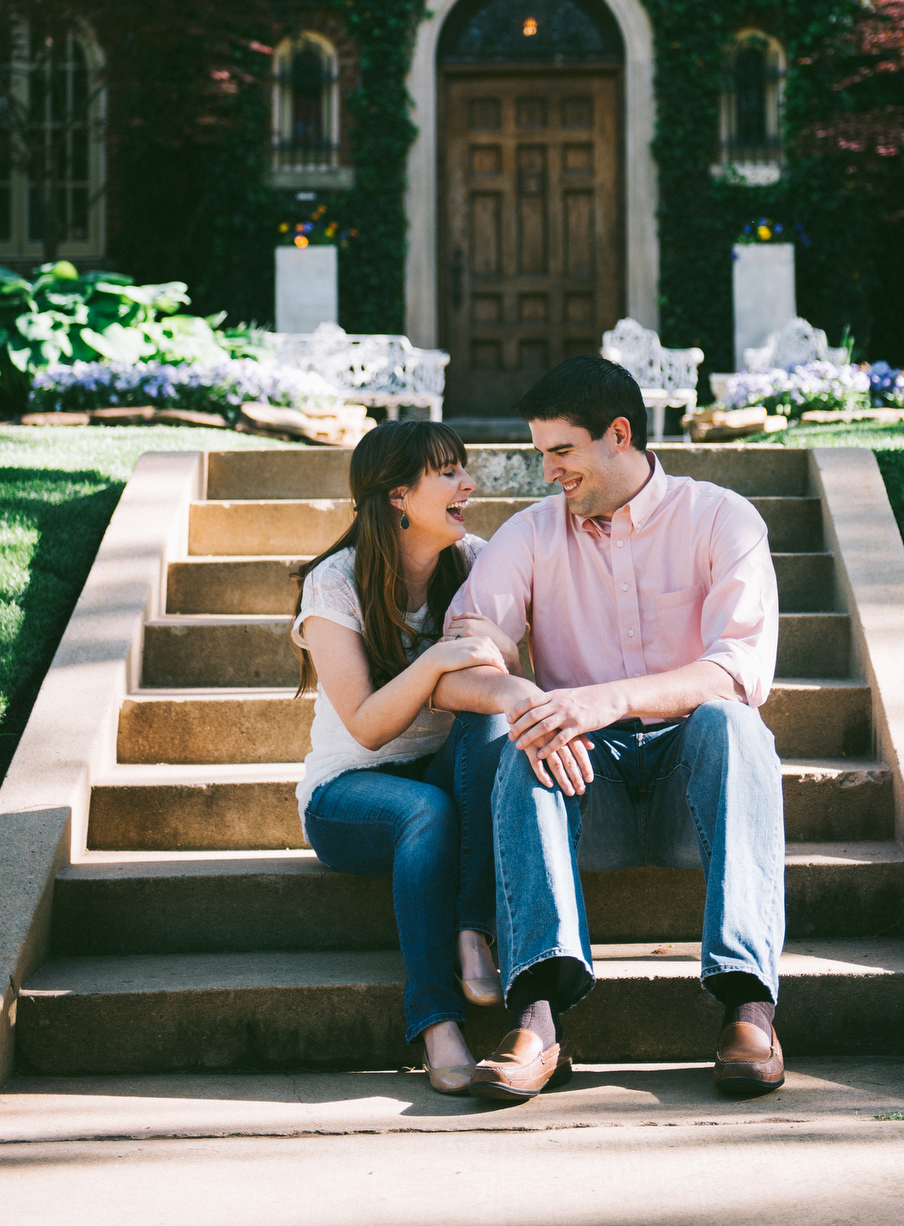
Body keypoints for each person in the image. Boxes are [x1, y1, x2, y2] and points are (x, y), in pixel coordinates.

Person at [434, 354, 785, 1104]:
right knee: (523, 740)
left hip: (693, 786)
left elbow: (737, 670)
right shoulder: (529, 536)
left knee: (736, 726)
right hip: (582, 787)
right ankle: (537, 1020)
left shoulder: (722, 519)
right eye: (541, 455)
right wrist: (529, 698)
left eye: (561, 452)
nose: (548, 472)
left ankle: (749, 1008)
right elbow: (456, 663)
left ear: (618, 435)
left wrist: (601, 700)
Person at [290, 419, 520, 1094]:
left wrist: (495, 649)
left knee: (491, 721)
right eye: (448, 472)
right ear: (397, 494)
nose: (467, 484)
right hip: (349, 794)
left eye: (462, 470)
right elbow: (365, 726)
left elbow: (509, 671)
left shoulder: (474, 561)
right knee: (426, 811)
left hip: (445, 775)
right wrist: (442, 659)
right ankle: (435, 1022)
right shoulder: (334, 583)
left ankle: (472, 929)